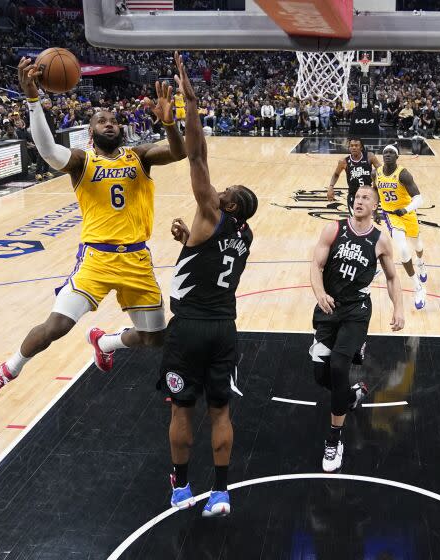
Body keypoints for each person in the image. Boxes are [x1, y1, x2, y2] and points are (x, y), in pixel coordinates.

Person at [0, 53, 189, 402]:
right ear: (90, 132)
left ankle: (105, 341)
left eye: (113, 120)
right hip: (97, 259)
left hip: (136, 260)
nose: (109, 123)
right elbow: (46, 150)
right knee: (56, 326)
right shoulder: (81, 161)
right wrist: (33, 100)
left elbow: (181, 152)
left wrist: (169, 124)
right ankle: (9, 368)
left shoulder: (140, 156)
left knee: (154, 339)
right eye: (101, 120)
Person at [161, 64, 259, 518]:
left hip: (189, 329)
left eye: (228, 191)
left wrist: (191, 106)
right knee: (220, 412)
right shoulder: (243, 235)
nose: (221, 190)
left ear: (231, 204)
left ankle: (181, 489)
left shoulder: (212, 210)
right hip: (224, 327)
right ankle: (221, 493)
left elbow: (196, 157)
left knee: (182, 411)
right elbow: (210, 259)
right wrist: (188, 241)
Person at [310, 183, 404, 472]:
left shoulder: (380, 239)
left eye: (366, 198)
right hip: (329, 309)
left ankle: (334, 440)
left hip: (357, 311)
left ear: (374, 206)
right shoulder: (333, 230)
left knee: (339, 367)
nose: (359, 200)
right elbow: (315, 265)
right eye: (357, 197)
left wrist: (398, 308)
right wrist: (320, 294)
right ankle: (352, 396)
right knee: (321, 374)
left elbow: (391, 277)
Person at [376, 144, 427, 309]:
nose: (388, 154)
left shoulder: (403, 174)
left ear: (397, 157)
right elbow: (376, 192)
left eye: (391, 152)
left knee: (417, 245)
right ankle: (417, 286)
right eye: (385, 152)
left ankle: (420, 262)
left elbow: (419, 198)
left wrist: (406, 209)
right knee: (403, 249)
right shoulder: (376, 173)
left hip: (407, 213)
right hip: (391, 215)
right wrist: (374, 209)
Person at [327, 137, 381, 213]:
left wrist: (378, 185)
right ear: (349, 148)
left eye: (356, 145)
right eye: (351, 146)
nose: (354, 148)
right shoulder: (344, 161)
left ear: (361, 147)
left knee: (366, 220)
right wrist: (331, 187)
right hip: (354, 195)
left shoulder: (369, 156)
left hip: (368, 194)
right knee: (356, 221)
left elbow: (381, 171)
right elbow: (336, 174)